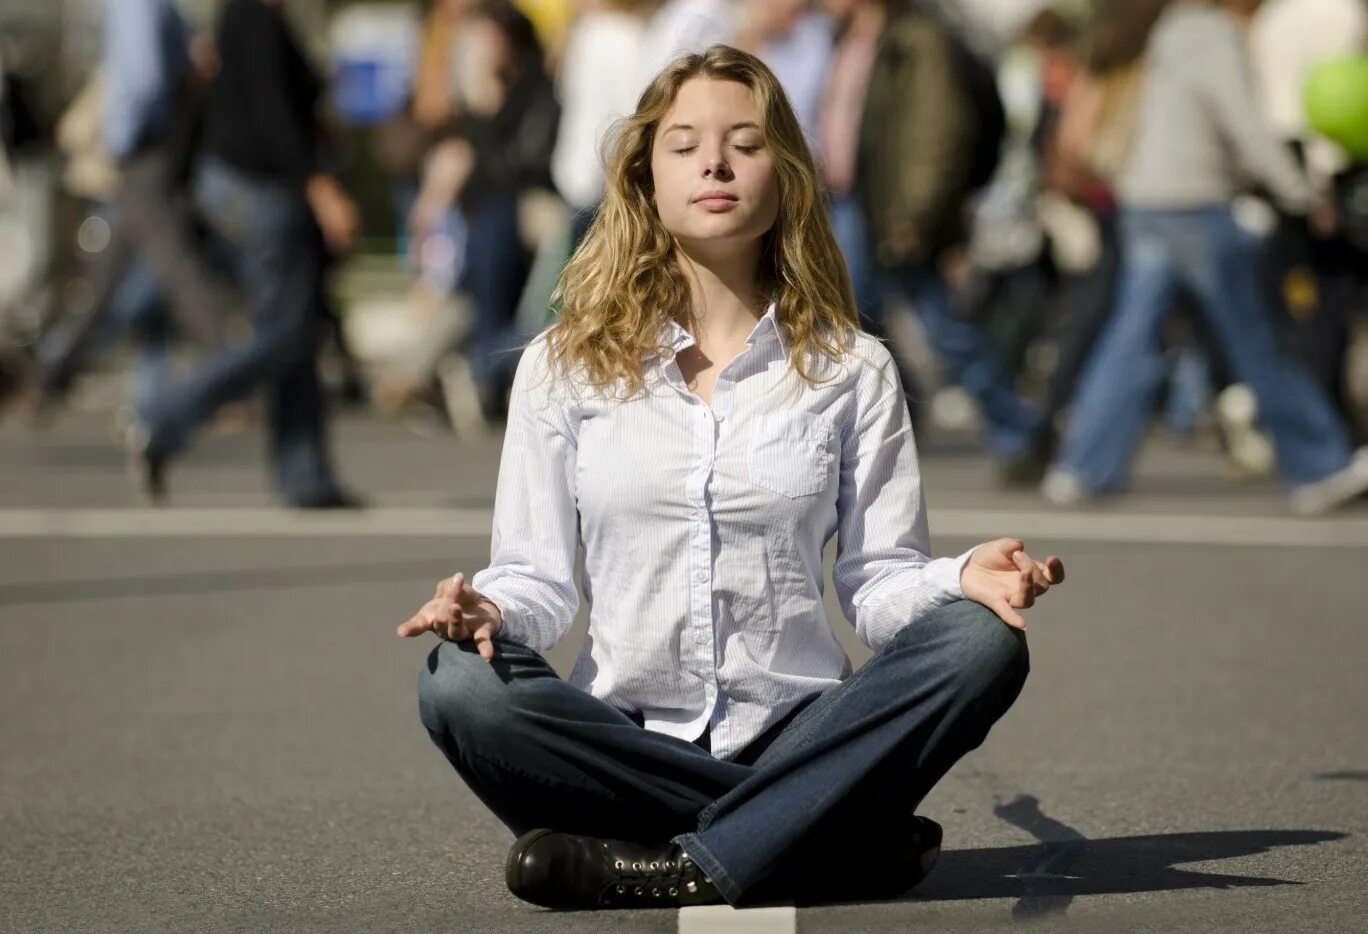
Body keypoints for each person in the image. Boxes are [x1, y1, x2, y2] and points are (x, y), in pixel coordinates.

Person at [398, 45, 1065, 910]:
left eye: (744, 143)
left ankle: (676, 863)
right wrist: (488, 609)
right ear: (645, 178)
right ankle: (816, 840)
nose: (714, 162)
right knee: (458, 682)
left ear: (783, 174)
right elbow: (539, 582)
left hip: (799, 736)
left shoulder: (853, 370)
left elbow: (877, 584)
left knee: (982, 642)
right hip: (623, 740)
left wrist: (958, 580)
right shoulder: (561, 367)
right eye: (684, 145)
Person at [1041, 0, 1368, 514]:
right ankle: (1319, 466)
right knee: (1257, 337)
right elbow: (1242, 121)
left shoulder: (1161, 28)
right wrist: (1300, 192)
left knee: (1130, 337)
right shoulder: (1210, 33)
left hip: (1144, 199)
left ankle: (1081, 466)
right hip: (1192, 202)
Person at [127, 0, 360, 508]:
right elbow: (271, 112)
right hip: (260, 189)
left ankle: (305, 474)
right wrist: (320, 187)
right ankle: (164, 416)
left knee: (295, 328)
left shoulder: (251, 17)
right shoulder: (251, 16)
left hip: (250, 185)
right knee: (284, 332)